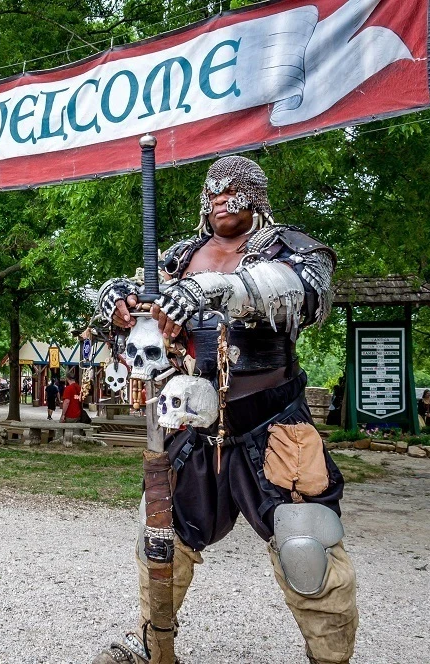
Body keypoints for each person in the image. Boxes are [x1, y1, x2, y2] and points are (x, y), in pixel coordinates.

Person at [93, 156, 356, 664]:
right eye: (211, 190)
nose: (218, 198)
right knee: (161, 539)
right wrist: (117, 302)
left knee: (307, 548)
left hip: (272, 424)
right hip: (194, 422)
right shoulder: (181, 255)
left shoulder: (292, 248)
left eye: (231, 189)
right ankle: (154, 647)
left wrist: (216, 289)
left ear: (255, 195)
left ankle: (329, 659)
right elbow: (133, 303)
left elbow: (309, 295)